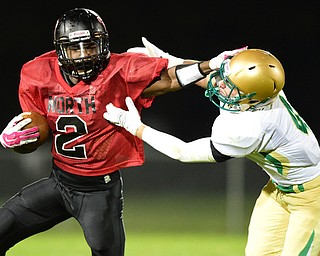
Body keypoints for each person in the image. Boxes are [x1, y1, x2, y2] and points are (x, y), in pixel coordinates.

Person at [0, 7, 245, 256]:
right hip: (58, 182)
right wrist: (16, 137)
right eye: (76, 48)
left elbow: (171, 79)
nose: (84, 55)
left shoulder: (120, 71)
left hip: (99, 192)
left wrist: (207, 65)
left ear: (103, 45)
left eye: (91, 46)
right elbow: (38, 126)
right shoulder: (38, 74)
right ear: (61, 50)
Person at [104, 48, 320, 256]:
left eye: (230, 86)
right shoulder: (263, 92)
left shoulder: (253, 127)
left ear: (253, 99)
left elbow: (182, 151)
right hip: (279, 189)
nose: (221, 86)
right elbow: (214, 79)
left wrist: (135, 127)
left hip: (312, 198)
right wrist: (168, 59)